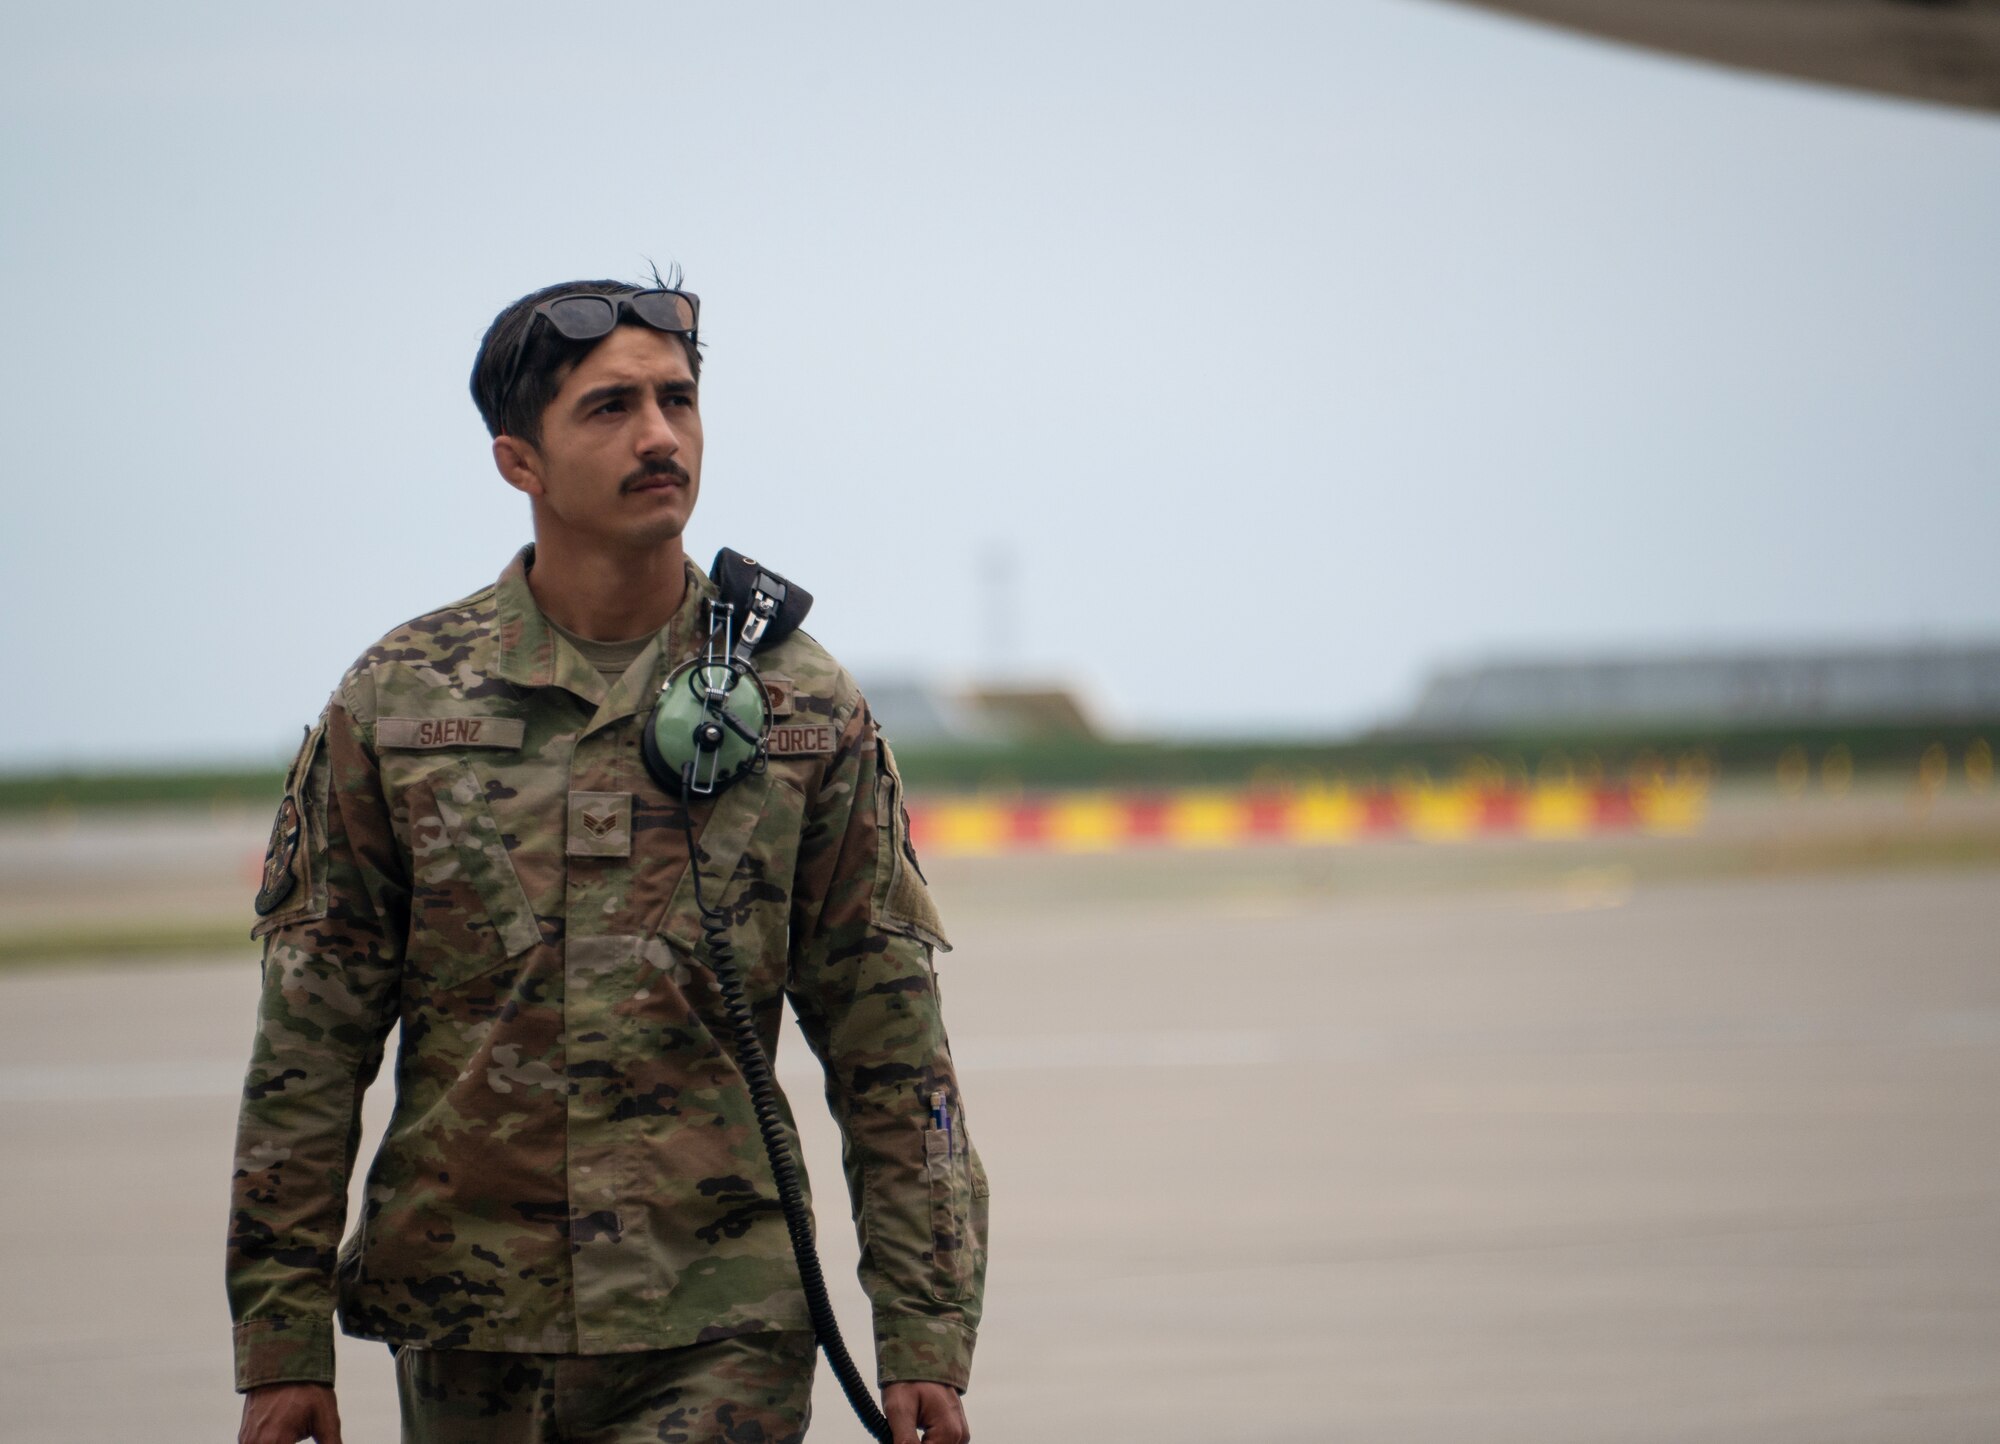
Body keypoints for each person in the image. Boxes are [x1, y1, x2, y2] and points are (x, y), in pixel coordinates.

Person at [227, 276, 987, 1444]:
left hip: (721, 1317)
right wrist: (279, 1341)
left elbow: (892, 1046)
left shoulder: (798, 702)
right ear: (517, 462)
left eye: (677, 401)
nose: (657, 436)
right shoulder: (399, 701)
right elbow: (309, 1046)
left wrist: (924, 1328)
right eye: (608, 408)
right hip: (470, 1319)